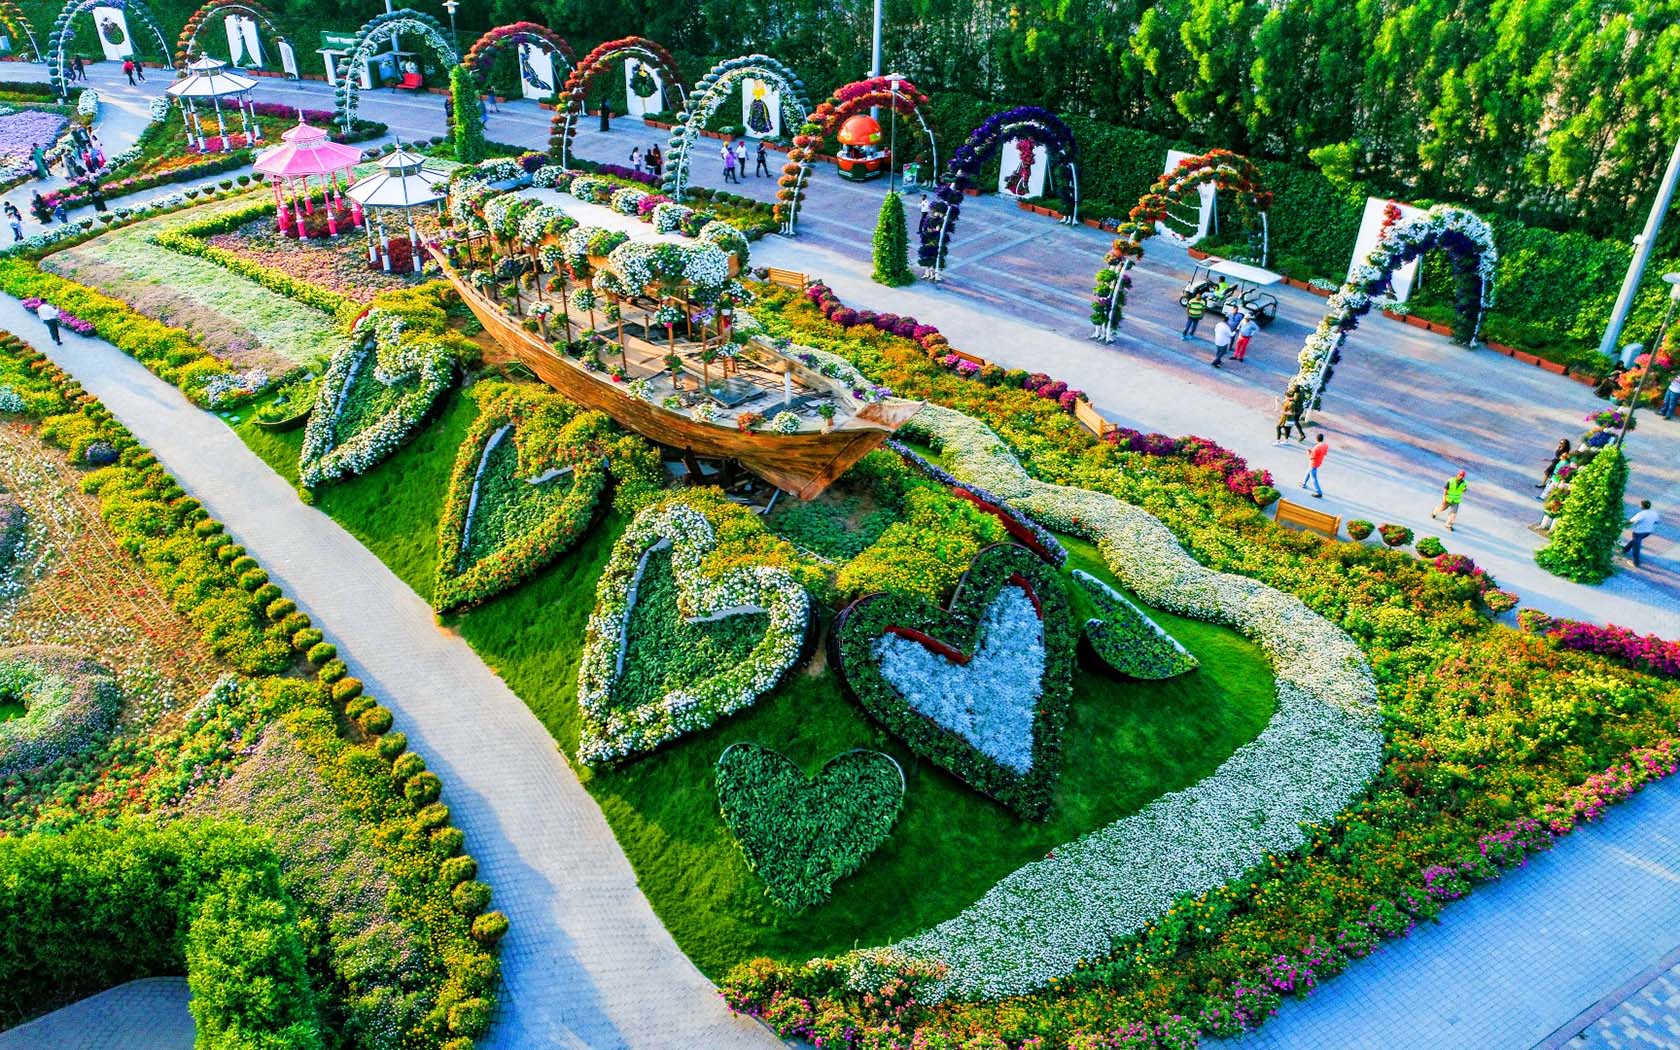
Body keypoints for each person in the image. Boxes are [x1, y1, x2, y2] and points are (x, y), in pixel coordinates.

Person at [1623, 500, 1660, 568]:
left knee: (1636, 547)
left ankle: (1636, 563)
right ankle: (1625, 549)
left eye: (1640, 505)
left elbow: (1630, 521)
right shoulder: (1654, 513)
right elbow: (1656, 521)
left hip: (1638, 532)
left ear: (1642, 506)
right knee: (1635, 541)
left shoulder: (1641, 514)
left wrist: (1622, 524)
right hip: (1648, 532)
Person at [1301, 433, 1328, 498]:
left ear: (1316, 439)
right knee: (1308, 472)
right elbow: (1324, 453)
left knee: (1313, 478)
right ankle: (1303, 483)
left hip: (1313, 463)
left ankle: (1319, 492)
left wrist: (1309, 452)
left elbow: (1311, 457)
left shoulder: (1316, 448)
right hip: (1319, 462)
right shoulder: (1325, 445)